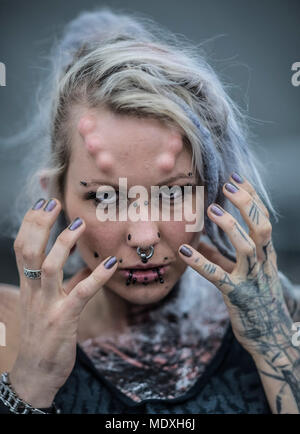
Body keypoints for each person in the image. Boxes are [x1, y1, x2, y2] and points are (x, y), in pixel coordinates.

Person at [0, 7, 299, 414]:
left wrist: (273, 345)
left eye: (174, 194)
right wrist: (32, 380)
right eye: (106, 198)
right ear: (55, 197)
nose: (143, 239)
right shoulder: (7, 325)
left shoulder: (285, 313)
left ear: (213, 192)